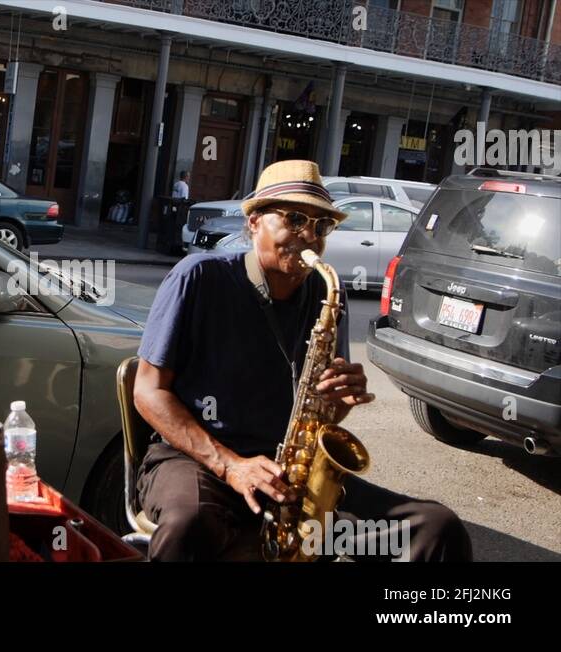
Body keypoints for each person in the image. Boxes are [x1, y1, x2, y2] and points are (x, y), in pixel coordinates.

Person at [133, 160, 472, 562]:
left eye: (321, 225)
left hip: (290, 475)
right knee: (191, 523)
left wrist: (338, 403)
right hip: (198, 462)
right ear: (255, 221)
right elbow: (147, 391)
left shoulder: (326, 293)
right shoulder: (199, 276)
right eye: (294, 218)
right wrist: (230, 466)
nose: (309, 235)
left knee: (437, 528)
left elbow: (322, 419)